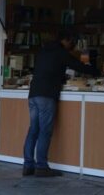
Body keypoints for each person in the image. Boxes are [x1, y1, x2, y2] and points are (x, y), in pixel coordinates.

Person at [24, 31, 99, 177]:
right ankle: (41, 166)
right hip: (46, 95)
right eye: (72, 42)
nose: (73, 46)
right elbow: (78, 65)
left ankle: (28, 165)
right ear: (66, 40)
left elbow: (48, 69)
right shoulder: (61, 52)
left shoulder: (43, 51)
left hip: (33, 94)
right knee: (45, 131)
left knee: (33, 130)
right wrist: (96, 70)